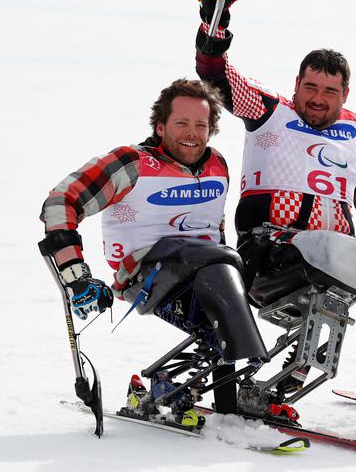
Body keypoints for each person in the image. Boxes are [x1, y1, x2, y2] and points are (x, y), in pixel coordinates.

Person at [40, 79, 269, 427]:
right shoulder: (131, 164)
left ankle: (211, 396)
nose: (192, 133)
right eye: (181, 123)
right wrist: (75, 274)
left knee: (223, 312)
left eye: (201, 125)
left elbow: (214, 228)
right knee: (221, 267)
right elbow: (61, 201)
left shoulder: (217, 165)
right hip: (144, 276)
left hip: (204, 268)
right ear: (161, 126)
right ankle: (227, 401)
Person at [193, 0, 356, 394]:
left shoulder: (355, 129)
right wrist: (213, 25)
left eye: (329, 90)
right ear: (296, 84)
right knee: (323, 268)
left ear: (345, 94)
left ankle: (291, 376)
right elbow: (216, 76)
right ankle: (243, 372)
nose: (317, 98)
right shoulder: (271, 109)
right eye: (310, 86)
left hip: (335, 258)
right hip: (270, 250)